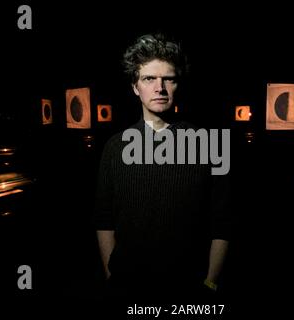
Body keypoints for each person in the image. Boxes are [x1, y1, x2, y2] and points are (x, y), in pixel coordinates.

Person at [93, 33, 231, 303]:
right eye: (149, 79)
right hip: (127, 286)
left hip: (188, 288)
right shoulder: (114, 147)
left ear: (179, 85)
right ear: (135, 87)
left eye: (168, 78)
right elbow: (103, 218)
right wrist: (112, 278)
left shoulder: (210, 145)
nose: (160, 87)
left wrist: (210, 284)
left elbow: (223, 223)